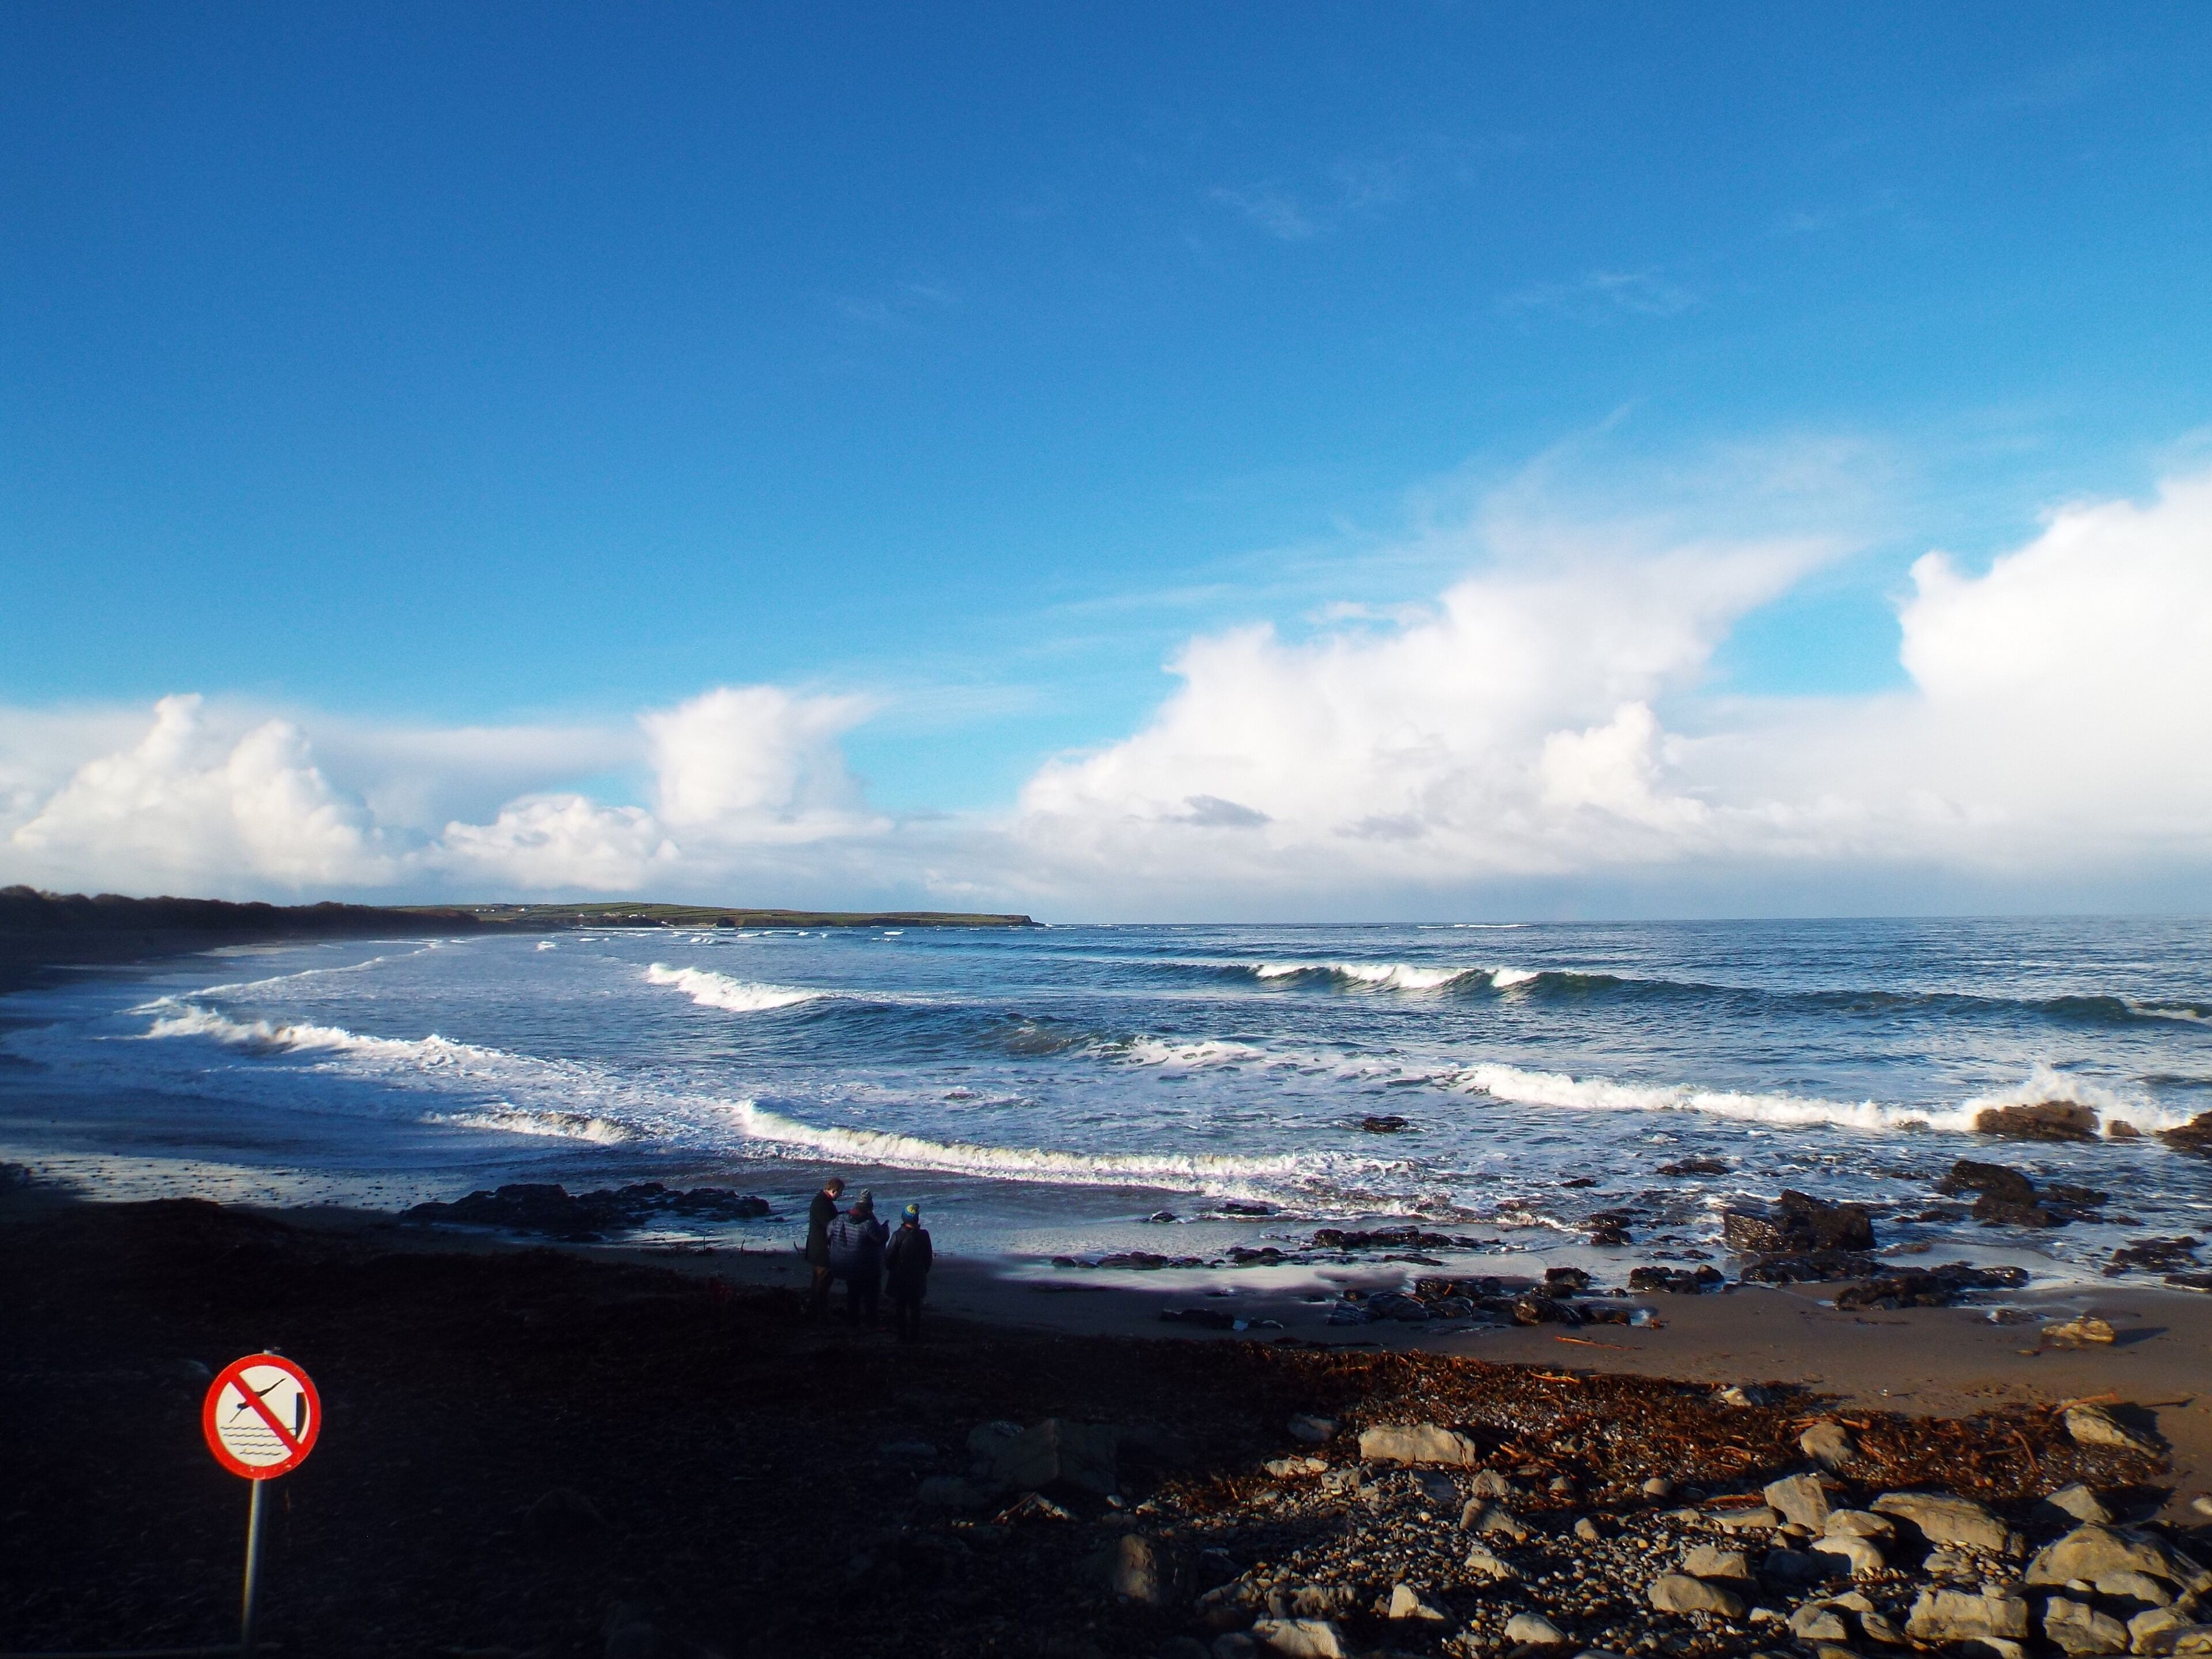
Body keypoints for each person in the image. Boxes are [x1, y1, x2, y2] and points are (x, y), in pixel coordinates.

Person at [826, 1189, 888, 1324]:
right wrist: (885, 1228)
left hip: (844, 1263)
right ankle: (871, 1320)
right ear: (869, 1207)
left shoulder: (839, 1218)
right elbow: (880, 1238)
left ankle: (853, 1320)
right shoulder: (868, 1223)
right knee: (871, 1294)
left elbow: (828, 1233)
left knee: (853, 1292)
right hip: (865, 1266)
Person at [884, 1202, 933, 1343]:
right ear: (917, 1220)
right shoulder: (924, 1235)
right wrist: (924, 1271)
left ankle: (902, 1336)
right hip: (917, 1278)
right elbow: (928, 1258)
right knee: (915, 1308)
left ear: (904, 1219)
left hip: (900, 1278)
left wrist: (892, 1269)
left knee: (900, 1308)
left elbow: (889, 1258)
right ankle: (915, 1337)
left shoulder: (898, 1235)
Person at [802, 1176, 845, 1315]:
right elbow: (830, 1224)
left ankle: (816, 1308)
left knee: (819, 1280)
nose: (841, 1195)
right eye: (840, 1192)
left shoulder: (822, 1201)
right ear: (834, 1190)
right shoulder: (822, 1203)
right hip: (821, 1248)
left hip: (818, 1247)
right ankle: (818, 1310)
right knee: (823, 1280)